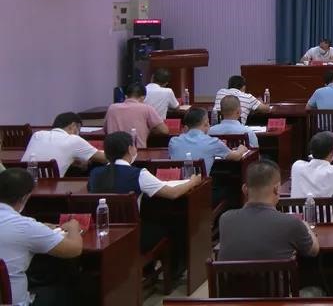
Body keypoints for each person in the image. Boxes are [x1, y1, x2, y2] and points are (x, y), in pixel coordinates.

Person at [89, 131, 202, 262]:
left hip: (102, 234)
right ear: (130, 149)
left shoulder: (95, 174)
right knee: (173, 223)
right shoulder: (138, 174)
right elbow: (173, 193)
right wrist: (193, 182)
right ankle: (175, 267)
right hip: (132, 235)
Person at [0, 168, 83, 306]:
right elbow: (74, 249)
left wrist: (39, 227)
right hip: (14, 303)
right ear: (25, 197)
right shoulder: (25, 227)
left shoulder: (26, 226)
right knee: (70, 289)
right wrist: (74, 227)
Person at [218, 160, 318, 261]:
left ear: (244, 189)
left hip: (233, 272)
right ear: (277, 189)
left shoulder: (225, 219)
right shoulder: (292, 223)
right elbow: (313, 251)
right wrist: (306, 225)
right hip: (278, 272)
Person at [168, 107, 248, 176]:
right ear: (206, 124)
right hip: (200, 186)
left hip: (176, 184)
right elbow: (236, 157)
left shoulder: (173, 142)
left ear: (186, 127)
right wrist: (241, 149)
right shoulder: (213, 142)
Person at [21, 112, 105, 176]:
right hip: (52, 187)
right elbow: (106, 158)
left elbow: (51, 153)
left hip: (26, 182)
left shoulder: (37, 135)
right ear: (73, 126)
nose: (78, 134)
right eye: (79, 129)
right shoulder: (73, 139)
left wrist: (73, 161)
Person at [104, 83, 168, 148]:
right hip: (137, 151)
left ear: (126, 96)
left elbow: (106, 130)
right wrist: (149, 130)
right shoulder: (147, 108)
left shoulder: (112, 108)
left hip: (112, 152)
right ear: (143, 97)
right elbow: (164, 131)